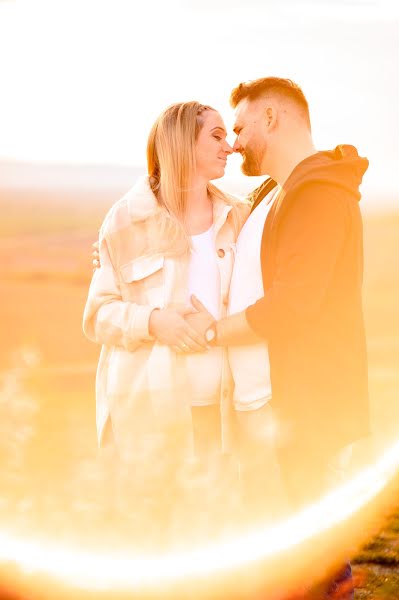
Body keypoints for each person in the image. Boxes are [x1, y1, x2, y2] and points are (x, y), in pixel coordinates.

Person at [186, 76, 370, 599]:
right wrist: (122, 251)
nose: (236, 141)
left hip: (305, 406)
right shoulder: (273, 191)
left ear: (272, 118)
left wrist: (211, 333)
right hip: (267, 406)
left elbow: (294, 304)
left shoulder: (319, 195)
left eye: (240, 126)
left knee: (314, 561)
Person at [83, 101, 249, 468]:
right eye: (217, 136)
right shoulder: (126, 218)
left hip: (222, 418)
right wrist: (155, 322)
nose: (231, 147)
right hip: (149, 417)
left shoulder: (238, 215)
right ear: (182, 144)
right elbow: (98, 316)